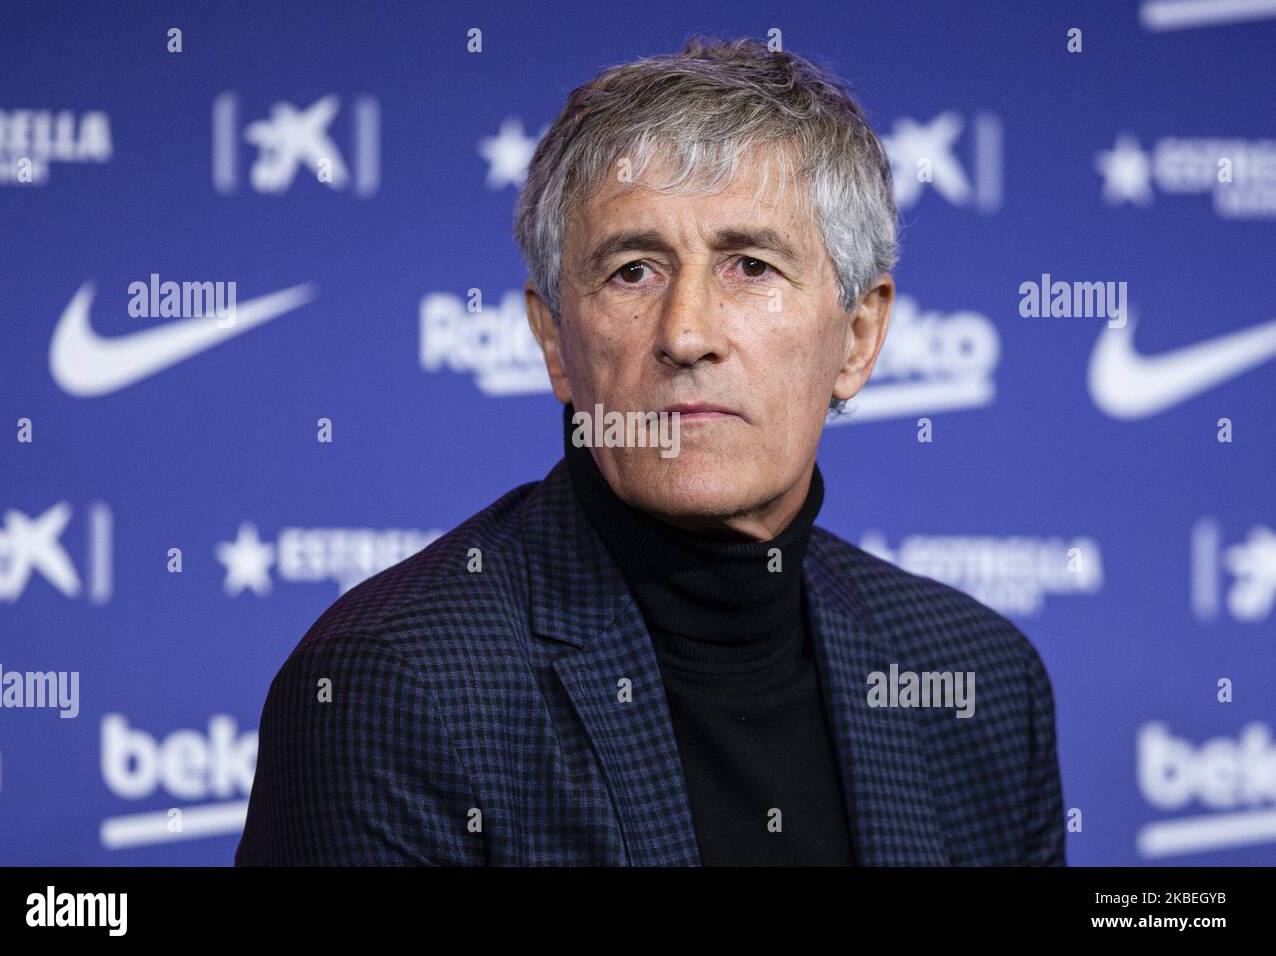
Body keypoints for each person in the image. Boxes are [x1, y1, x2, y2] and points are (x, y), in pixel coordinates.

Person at [236, 35, 1065, 866]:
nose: (688, 333)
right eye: (634, 271)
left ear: (858, 336)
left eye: (749, 264)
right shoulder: (392, 684)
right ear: (554, 339)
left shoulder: (979, 682)